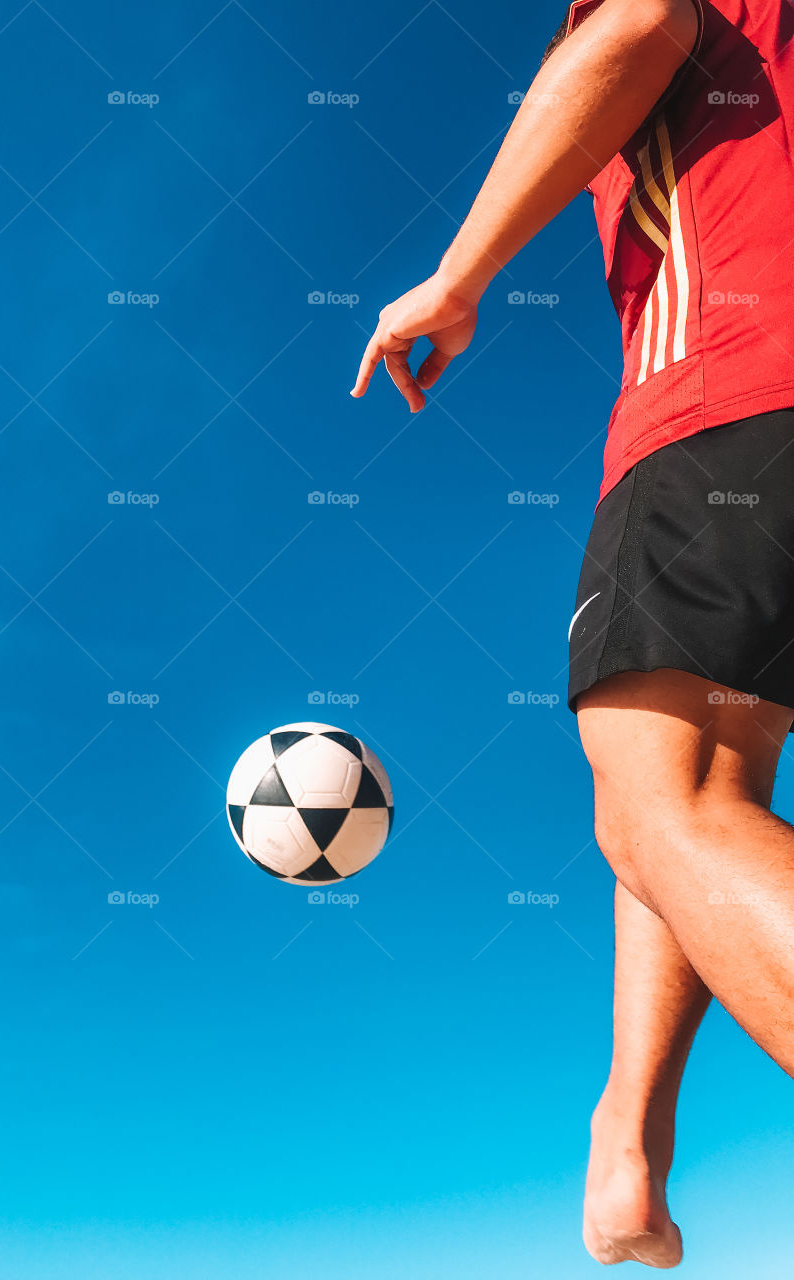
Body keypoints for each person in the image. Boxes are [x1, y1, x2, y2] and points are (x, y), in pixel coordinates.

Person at [351, 0, 794, 1267]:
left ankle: (628, 1139)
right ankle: (631, 1141)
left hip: (733, 389)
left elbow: (639, 24)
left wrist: (457, 276)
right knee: (682, 787)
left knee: (670, 799)